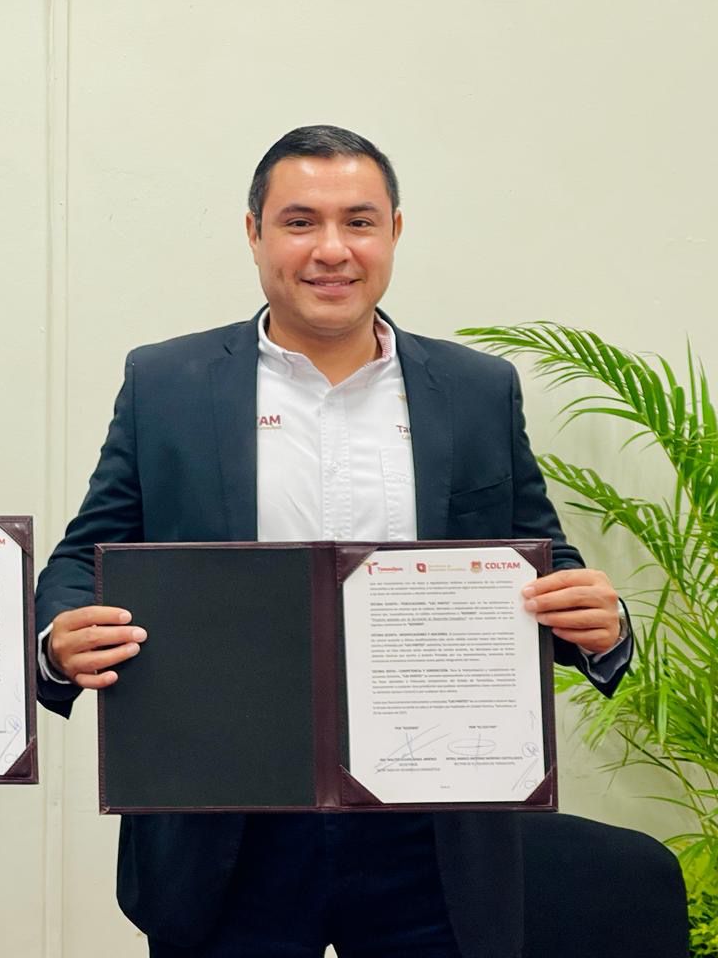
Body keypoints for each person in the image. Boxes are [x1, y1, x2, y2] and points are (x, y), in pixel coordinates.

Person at [35, 125, 633, 958]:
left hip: (432, 831)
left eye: (359, 222)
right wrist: (59, 638)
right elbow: (84, 557)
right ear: (254, 233)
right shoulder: (166, 383)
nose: (331, 250)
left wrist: (602, 626)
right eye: (299, 222)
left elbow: (542, 560)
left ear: (394, 231)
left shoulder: (474, 389)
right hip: (227, 828)